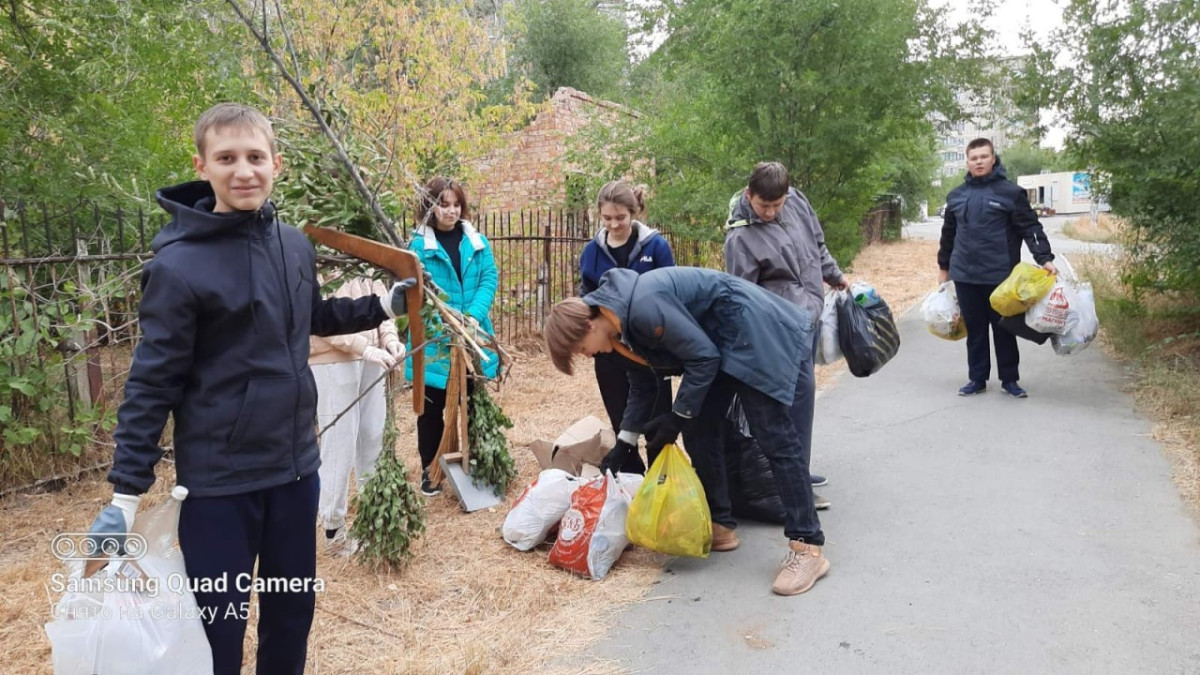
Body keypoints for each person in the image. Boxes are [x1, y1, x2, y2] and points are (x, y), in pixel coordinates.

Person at [87, 103, 415, 675]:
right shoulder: (178, 266)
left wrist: (381, 305)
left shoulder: (293, 245)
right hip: (220, 488)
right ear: (203, 165)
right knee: (219, 625)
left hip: (293, 473)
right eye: (227, 158)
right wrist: (123, 496)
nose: (244, 171)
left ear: (276, 164)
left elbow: (308, 315)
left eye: (255, 157)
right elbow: (151, 381)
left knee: (292, 614)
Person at [545, 266, 830, 596]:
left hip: (752, 332)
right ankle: (721, 524)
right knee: (700, 427)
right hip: (723, 344)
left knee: (774, 437)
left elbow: (703, 358)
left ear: (589, 323)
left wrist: (676, 417)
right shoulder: (617, 332)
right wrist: (624, 444)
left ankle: (807, 545)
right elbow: (643, 384)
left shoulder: (642, 308)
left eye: (581, 348)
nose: (587, 355)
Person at [725, 161, 848, 510]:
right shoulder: (740, 236)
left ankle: (798, 470)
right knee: (789, 400)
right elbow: (742, 296)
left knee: (803, 399)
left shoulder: (796, 201)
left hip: (807, 317)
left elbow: (817, 245)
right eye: (765, 206)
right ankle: (787, 482)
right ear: (750, 196)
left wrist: (834, 275)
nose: (772, 212)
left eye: (777, 205)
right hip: (777, 329)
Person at [938, 138, 1057, 398]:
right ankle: (977, 378)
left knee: (1004, 329)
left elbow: (1030, 227)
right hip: (966, 274)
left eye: (984, 156)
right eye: (974, 158)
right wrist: (943, 268)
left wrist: (1044, 258)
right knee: (975, 330)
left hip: (1000, 275)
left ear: (993, 159)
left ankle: (1010, 380)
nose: (979, 161)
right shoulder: (956, 196)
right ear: (967, 162)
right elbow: (948, 235)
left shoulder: (1010, 193)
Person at [406, 177, 499, 496]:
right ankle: (430, 470)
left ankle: (476, 460)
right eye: (443, 204)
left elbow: (489, 277)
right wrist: (444, 321)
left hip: (471, 334)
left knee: (472, 401)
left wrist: (472, 316)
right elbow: (417, 292)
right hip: (436, 338)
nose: (451, 211)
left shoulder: (475, 241)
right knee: (431, 407)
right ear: (430, 206)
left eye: (456, 204)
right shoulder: (418, 246)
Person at [578, 180, 675, 473]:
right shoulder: (591, 252)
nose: (614, 224)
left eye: (620, 217)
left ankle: (662, 481)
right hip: (610, 350)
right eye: (607, 218)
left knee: (657, 420)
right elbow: (587, 299)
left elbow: (670, 291)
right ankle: (633, 480)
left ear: (634, 212)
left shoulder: (656, 246)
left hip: (651, 348)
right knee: (623, 420)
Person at [309, 272, 406, 554]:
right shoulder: (319, 256)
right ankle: (333, 527)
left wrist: (389, 340)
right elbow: (319, 317)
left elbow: (382, 304)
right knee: (340, 444)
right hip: (332, 360)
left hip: (372, 356)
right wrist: (363, 348)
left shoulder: (362, 251)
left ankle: (374, 516)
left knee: (373, 436)